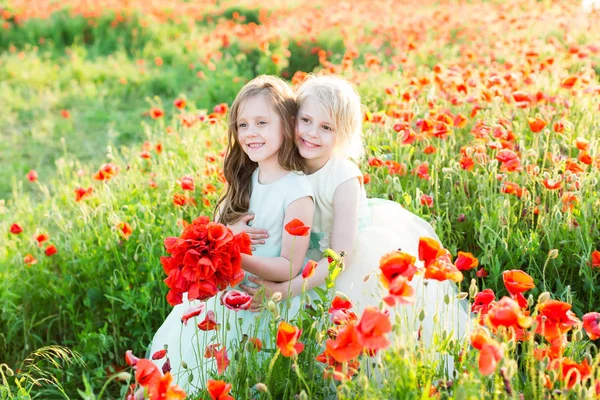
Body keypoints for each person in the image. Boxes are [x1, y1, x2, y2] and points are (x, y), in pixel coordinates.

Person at [240, 74, 471, 376]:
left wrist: (286, 289)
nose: (311, 133)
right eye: (306, 120)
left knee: (353, 338)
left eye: (327, 127)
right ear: (292, 118)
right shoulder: (287, 157)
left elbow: (340, 258)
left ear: (344, 134)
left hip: (344, 257)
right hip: (302, 254)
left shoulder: (343, 177)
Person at [148, 75, 314, 391]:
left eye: (261, 123)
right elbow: (226, 233)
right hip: (229, 297)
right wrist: (224, 235)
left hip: (263, 301)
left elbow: (290, 266)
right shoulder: (247, 177)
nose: (250, 133)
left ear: (287, 125)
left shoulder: (296, 192)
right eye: (243, 125)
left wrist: (236, 251)